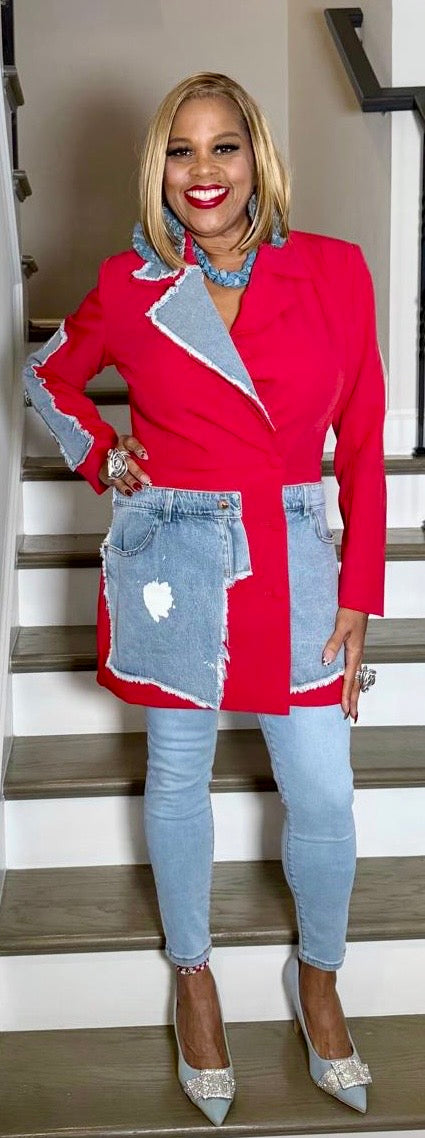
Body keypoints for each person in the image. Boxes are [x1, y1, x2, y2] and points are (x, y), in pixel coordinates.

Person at [23, 72, 386, 1125]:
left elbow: (364, 441)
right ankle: (193, 977)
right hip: (173, 559)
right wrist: (103, 455)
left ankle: (318, 977)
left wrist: (359, 592)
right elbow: (48, 376)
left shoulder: (334, 270)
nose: (203, 170)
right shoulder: (130, 283)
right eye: (180, 151)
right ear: (160, 169)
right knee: (178, 775)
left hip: (294, 554)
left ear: (256, 157)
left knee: (321, 793)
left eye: (223, 146)